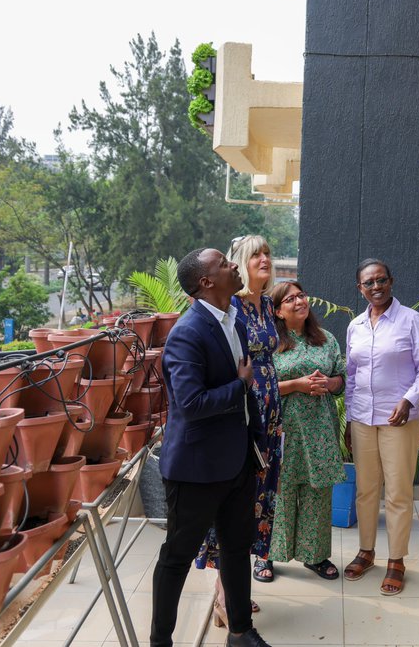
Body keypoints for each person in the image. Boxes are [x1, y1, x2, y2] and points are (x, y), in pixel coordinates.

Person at [151, 248, 270, 647]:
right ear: (205, 282)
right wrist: (241, 385)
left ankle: (240, 632)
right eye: (224, 264)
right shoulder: (187, 332)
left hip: (237, 462)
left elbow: (246, 395)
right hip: (196, 469)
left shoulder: (234, 321)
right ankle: (160, 642)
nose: (234, 265)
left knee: (237, 550)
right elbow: (191, 403)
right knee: (177, 558)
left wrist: (256, 442)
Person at [343, 258, 419, 595]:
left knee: (398, 492)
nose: (376, 287)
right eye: (368, 283)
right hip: (362, 419)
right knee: (366, 489)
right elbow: (351, 376)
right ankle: (366, 552)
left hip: (400, 420)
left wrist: (408, 400)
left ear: (391, 281)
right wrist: (349, 420)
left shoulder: (412, 320)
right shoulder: (355, 326)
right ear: (360, 288)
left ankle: (396, 560)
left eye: (381, 280)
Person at [195, 235, 284, 592]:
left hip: (271, 416)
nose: (264, 259)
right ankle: (224, 593)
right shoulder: (232, 305)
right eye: (255, 255)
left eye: (267, 253)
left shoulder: (267, 303)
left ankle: (237, 585)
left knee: (259, 496)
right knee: (236, 498)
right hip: (244, 410)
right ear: (241, 263)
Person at [269, 280, 346, 579]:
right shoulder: (270, 342)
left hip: (320, 430)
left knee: (318, 492)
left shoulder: (326, 339)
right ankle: (267, 555)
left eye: (301, 296)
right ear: (278, 311)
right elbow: (259, 387)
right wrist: (296, 385)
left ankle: (315, 556)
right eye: (290, 299)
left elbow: (341, 379)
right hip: (283, 430)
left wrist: (329, 383)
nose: (299, 301)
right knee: (280, 490)